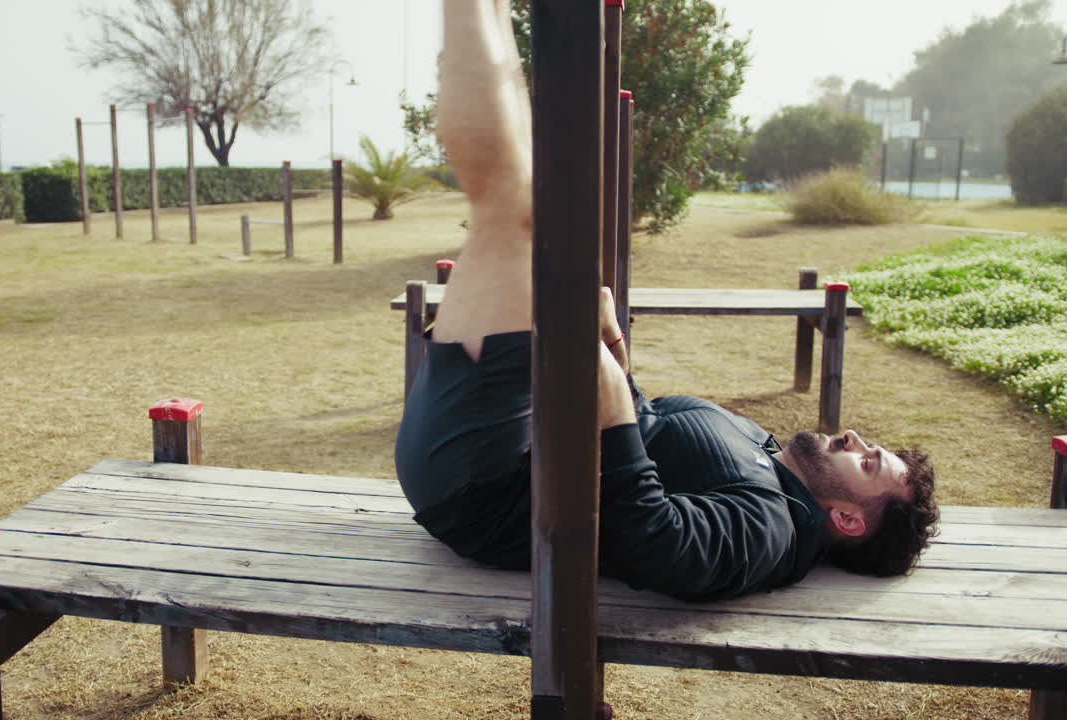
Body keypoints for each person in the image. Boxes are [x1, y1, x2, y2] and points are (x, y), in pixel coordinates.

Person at [395, 0, 938, 601]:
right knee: (529, 197)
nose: (856, 438)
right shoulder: (762, 451)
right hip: (520, 437)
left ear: (848, 520)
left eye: (869, 463)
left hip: (487, 482)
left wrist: (584, 352)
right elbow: (640, 423)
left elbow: (655, 540)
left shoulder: (772, 527)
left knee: (514, 201)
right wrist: (611, 346)